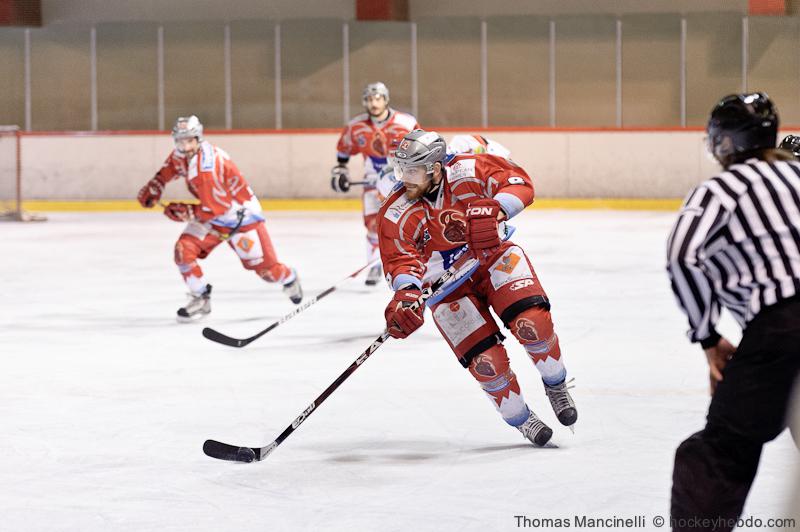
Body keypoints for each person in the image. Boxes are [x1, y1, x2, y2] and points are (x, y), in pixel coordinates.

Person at [377, 129, 577, 446]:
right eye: (401, 169)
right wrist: (406, 295)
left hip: (493, 256)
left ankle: (555, 383)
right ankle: (522, 419)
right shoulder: (396, 210)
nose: (404, 178)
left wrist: (498, 208)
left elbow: (518, 183)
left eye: (412, 170)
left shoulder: (466, 169)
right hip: (445, 289)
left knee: (533, 323)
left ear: (434, 168)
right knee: (487, 365)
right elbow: (400, 260)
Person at [666, 92, 800, 531]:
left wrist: (707, 335)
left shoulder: (721, 189)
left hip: (782, 327)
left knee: (717, 454)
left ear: (722, 142)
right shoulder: (795, 174)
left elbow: (683, 256)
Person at [137, 115, 302, 322]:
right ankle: (200, 297)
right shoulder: (184, 155)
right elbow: (169, 170)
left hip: (240, 219)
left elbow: (218, 207)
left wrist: (187, 211)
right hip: (213, 216)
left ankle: (289, 277)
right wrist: (156, 185)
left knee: (268, 272)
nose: (184, 146)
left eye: (189, 141)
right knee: (183, 251)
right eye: (180, 141)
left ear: (198, 138)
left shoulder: (207, 168)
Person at [331, 82, 419, 285]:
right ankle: (374, 265)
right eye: (370, 99)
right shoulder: (356, 127)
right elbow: (343, 151)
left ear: (385, 99)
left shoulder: (406, 122)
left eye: (378, 98)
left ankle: (412, 261)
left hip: (401, 182)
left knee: (409, 223)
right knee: (373, 224)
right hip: (372, 183)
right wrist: (341, 171)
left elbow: (421, 147)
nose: (374, 103)